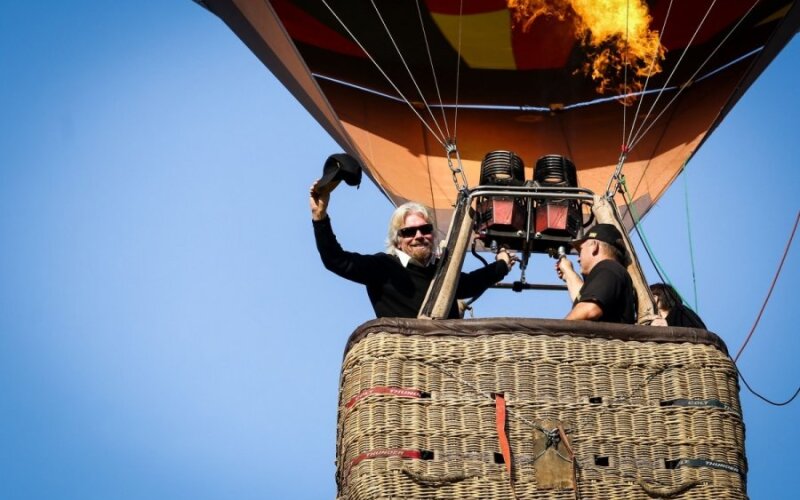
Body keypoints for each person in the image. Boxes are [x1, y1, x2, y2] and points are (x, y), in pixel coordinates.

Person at [310, 179, 515, 318]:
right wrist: (320, 217)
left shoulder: (443, 275)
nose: (418, 236)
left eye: (425, 229)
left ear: (433, 234)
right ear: (398, 240)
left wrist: (502, 265)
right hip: (404, 366)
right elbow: (336, 260)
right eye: (409, 232)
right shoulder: (383, 267)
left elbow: (471, 283)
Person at [555, 223, 636, 323]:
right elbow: (584, 299)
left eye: (580, 250)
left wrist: (555, 332)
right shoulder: (611, 272)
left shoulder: (608, 268)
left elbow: (589, 310)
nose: (578, 258)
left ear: (594, 246)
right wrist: (568, 272)